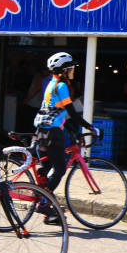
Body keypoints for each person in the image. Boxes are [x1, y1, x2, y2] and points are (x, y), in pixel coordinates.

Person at [33, 52, 100, 225]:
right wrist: (90, 127)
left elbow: (60, 112)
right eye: (72, 67)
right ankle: (42, 202)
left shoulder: (51, 84)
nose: (74, 70)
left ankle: (50, 214)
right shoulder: (62, 86)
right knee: (60, 169)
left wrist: (71, 130)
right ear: (65, 69)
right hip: (53, 134)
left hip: (42, 132)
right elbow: (71, 112)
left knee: (48, 172)